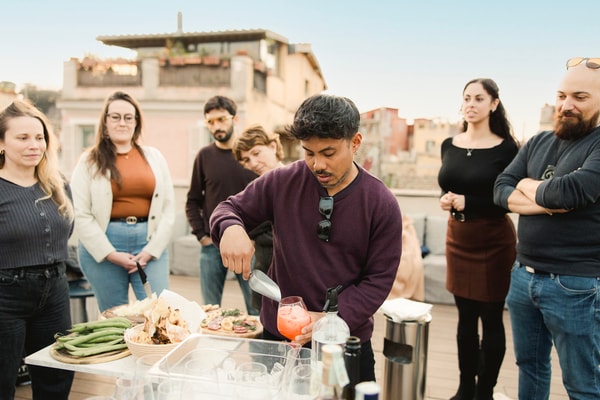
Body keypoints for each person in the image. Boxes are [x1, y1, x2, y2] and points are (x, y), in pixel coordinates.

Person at [210, 94, 403, 382]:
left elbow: (379, 279)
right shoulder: (281, 181)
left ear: (355, 143)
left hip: (344, 340)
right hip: (280, 338)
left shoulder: (381, 203)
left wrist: (331, 319)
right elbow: (229, 208)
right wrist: (230, 228)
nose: (317, 164)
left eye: (328, 153)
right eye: (309, 153)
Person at [494, 58, 600, 399]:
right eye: (561, 95)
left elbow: (569, 192)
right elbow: (501, 189)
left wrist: (528, 186)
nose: (566, 105)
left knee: (582, 384)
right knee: (530, 366)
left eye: (580, 97)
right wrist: (544, 196)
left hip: (575, 284)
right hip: (523, 276)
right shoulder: (538, 141)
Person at [438, 78, 519, 400]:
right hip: (458, 238)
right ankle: (464, 389)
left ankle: (484, 392)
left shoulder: (507, 148)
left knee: (491, 319)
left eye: (479, 99)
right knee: (465, 319)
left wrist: (467, 202)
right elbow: (448, 184)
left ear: (494, 104)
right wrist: (447, 198)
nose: (470, 104)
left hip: (493, 241)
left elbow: (509, 199)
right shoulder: (449, 144)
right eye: (467, 98)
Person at [71, 91, 175, 312]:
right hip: (104, 247)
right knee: (115, 318)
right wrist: (111, 254)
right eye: (115, 117)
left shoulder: (155, 157)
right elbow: (81, 213)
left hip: (149, 246)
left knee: (158, 312)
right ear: (105, 121)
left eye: (128, 117)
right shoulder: (88, 161)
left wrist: (151, 250)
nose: (122, 123)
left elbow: (168, 208)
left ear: (136, 122)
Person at [0, 100, 74, 399]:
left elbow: (65, 232)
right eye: (23, 137)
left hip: (55, 292)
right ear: (2, 143)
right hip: (5, 297)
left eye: (39, 137)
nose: (34, 145)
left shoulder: (57, 184)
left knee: (57, 375)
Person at [185, 95, 258, 315]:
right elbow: (193, 200)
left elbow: (264, 200)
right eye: (210, 122)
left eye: (221, 119)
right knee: (209, 312)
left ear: (235, 119)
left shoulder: (250, 157)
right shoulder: (204, 156)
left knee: (256, 310)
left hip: (249, 246)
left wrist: (256, 238)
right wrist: (202, 236)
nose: (216, 126)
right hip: (212, 246)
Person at [232, 125, 285, 311]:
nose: (253, 163)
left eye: (256, 153)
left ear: (273, 146)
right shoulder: (255, 189)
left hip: (293, 274)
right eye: (246, 160)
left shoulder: (297, 180)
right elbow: (245, 224)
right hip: (264, 271)